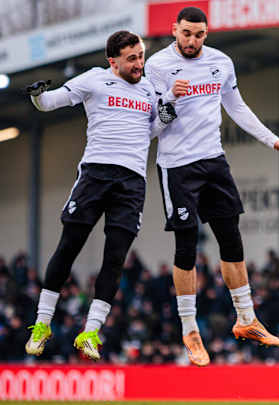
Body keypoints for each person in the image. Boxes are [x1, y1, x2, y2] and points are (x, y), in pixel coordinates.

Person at [144, 6, 279, 366]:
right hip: (177, 166)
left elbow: (237, 107)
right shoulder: (157, 67)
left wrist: (272, 139)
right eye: (186, 33)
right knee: (186, 245)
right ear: (174, 30)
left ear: (207, 33)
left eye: (199, 34)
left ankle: (246, 319)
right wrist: (169, 98)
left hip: (213, 160)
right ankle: (190, 329)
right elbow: (152, 126)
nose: (192, 41)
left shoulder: (220, 63)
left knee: (231, 239)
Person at [24, 31, 176, 360]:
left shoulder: (149, 89)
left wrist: (169, 110)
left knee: (115, 258)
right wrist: (38, 95)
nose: (139, 63)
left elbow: (150, 131)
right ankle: (42, 324)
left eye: (141, 56)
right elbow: (49, 103)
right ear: (113, 61)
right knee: (69, 247)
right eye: (131, 58)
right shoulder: (93, 79)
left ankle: (91, 332)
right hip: (95, 175)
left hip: (131, 182)